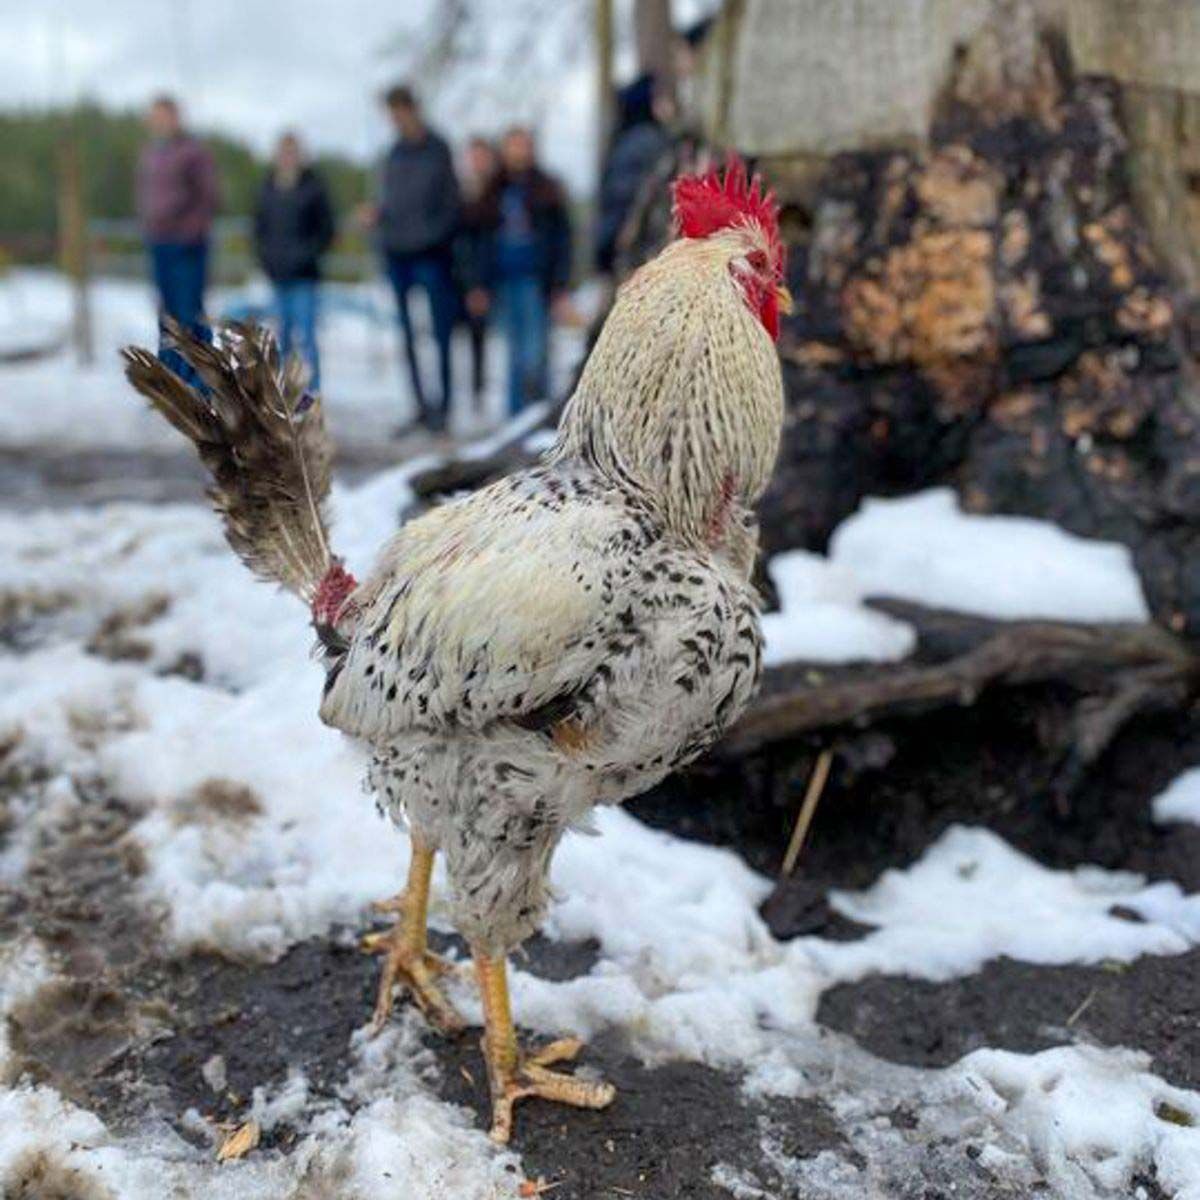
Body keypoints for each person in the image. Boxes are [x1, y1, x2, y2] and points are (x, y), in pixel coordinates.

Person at [372, 84, 461, 434]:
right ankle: (421, 407)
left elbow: (450, 205)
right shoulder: (392, 153)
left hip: (432, 256)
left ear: (412, 109)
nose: (395, 120)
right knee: (407, 336)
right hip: (398, 255)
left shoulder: (438, 149)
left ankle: (444, 408)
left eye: (399, 112)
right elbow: (392, 201)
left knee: (439, 334)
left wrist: (430, 236)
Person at [478, 126, 572, 416]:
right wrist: (480, 283)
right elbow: (479, 238)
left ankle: (538, 415)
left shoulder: (547, 189)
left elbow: (562, 240)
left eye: (523, 146)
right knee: (513, 357)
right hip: (504, 281)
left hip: (536, 281)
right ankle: (515, 417)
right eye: (512, 146)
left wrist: (559, 284)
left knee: (536, 353)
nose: (518, 152)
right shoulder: (493, 190)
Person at [136, 95, 219, 382]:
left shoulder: (193, 153)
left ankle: (199, 385)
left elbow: (209, 197)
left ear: (176, 118)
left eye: (163, 116)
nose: (158, 122)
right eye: (154, 117)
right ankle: (170, 381)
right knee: (167, 315)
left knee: (188, 315)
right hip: (159, 244)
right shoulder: (151, 153)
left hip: (187, 246)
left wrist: (190, 233)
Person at [253, 132, 336, 390]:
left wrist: (307, 255)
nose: (287, 158)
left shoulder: (314, 187)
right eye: (283, 152)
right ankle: (285, 393)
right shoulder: (266, 188)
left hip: (305, 276)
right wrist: (266, 260)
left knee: (307, 337)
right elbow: (259, 229)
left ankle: (313, 394)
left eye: (292, 152)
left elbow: (327, 229)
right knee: (282, 339)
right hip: (277, 276)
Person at [594, 74, 674, 277]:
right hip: (642, 247)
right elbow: (626, 197)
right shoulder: (648, 142)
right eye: (659, 98)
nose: (667, 104)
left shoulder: (626, 140)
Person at [455, 136, 500, 411]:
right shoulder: (458, 193)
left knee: (484, 338)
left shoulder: (497, 193)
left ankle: (482, 393)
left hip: (491, 276)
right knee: (470, 339)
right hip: (463, 276)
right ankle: (473, 395)